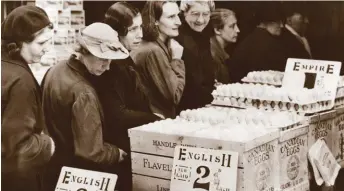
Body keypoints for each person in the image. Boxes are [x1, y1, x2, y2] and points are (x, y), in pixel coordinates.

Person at [41, 23, 129, 191]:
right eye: (103, 58)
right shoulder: (84, 92)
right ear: (84, 52)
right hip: (77, 175)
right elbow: (91, 152)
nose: (107, 65)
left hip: (52, 168)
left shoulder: (55, 70)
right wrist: (116, 153)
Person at [99, 2, 162, 190]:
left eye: (140, 27)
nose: (140, 35)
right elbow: (117, 114)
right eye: (133, 29)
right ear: (117, 31)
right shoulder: (112, 65)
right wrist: (154, 118)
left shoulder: (124, 56)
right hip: (121, 149)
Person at [1, 5, 55, 191]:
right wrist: (47, 144)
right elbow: (20, 152)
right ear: (18, 44)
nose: (47, 49)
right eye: (41, 43)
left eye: (49, 41)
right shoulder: (21, 82)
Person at [131, 0, 185, 118]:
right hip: (156, 121)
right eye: (171, 17)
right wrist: (176, 60)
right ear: (155, 20)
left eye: (178, 16)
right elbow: (175, 96)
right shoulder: (153, 51)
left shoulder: (151, 45)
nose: (179, 22)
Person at [228, 3, 287, 83]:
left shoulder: (248, 41)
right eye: (278, 22)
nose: (282, 26)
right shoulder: (272, 44)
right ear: (266, 22)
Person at [176, 0, 216, 112]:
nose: (201, 20)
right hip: (186, 107)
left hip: (203, 104)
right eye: (195, 14)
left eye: (206, 14)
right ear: (184, 13)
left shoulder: (203, 34)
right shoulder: (179, 38)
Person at [210, 8, 240, 84]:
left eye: (236, 25)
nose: (237, 30)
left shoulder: (218, 50)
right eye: (232, 26)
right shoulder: (212, 54)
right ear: (217, 30)